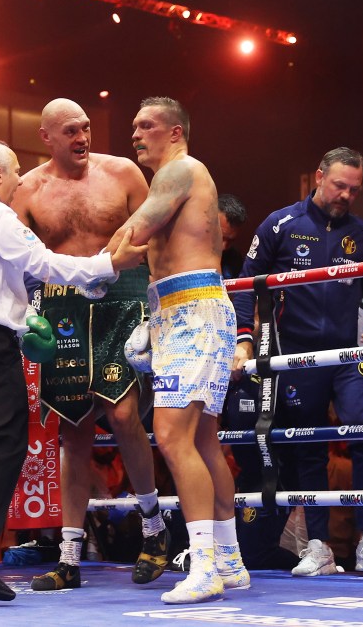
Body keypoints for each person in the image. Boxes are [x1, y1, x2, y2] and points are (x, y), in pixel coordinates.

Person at [0, 139, 146, 601]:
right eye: (16, 173)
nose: (22, 182)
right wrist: (111, 263)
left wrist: (23, 314)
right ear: (0, 175)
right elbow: (43, 264)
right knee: (4, 441)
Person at [11, 98, 167, 592]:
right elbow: (13, 257)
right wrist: (22, 316)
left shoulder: (122, 173)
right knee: (72, 433)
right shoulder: (28, 190)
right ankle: (70, 556)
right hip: (62, 307)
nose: (82, 138)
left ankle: (153, 526)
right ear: (47, 137)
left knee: (122, 416)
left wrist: (159, 307)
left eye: (86, 128)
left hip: (123, 296)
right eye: (71, 131)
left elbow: (158, 238)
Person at [102, 97, 245, 604]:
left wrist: (87, 272)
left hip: (194, 310)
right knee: (203, 439)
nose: (136, 134)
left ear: (176, 131)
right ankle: (229, 559)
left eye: (147, 126)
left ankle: (203, 565)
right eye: (133, 126)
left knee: (169, 433)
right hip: (176, 310)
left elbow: (134, 232)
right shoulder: (175, 175)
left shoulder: (181, 169)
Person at [232, 146, 363, 577]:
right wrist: (244, 339)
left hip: (350, 354)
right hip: (298, 356)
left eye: (354, 189)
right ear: (319, 177)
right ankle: (318, 545)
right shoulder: (280, 224)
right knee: (308, 449)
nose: (346, 195)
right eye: (340, 185)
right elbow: (245, 284)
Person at [217, 193, 248, 281]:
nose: (224, 247)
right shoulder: (187, 252)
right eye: (221, 237)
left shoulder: (234, 259)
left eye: (230, 240)